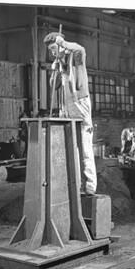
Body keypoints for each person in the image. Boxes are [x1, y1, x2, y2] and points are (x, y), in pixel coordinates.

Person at [43, 31, 97, 195]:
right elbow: (54, 87)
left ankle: (89, 186)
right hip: (65, 109)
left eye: (54, 48)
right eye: (50, 50)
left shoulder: (76, 56)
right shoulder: (58, 62)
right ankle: (74, 185)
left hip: (79, 105)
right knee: (69, 149)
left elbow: (80, 49)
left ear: (60, 44)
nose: (52, 52)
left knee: (85, 147)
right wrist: (55, 72)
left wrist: (64, 45)